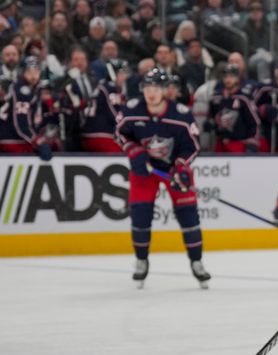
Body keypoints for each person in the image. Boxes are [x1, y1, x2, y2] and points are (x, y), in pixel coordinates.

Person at [115, 68, 210, 289]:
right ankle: (141, 260)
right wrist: (134, 151)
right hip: (144, 170)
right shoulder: (131, 110)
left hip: (173, 169)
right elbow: (119, 133)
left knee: (188, 215)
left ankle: (197, 262)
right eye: (147, 88)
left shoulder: (180, 113)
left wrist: (181, 166)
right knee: (140, 214)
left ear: (165, 90)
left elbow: (193, 145)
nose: (151, 93)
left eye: (156, 88)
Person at [0, 56, 55, 160]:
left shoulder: (35, 88)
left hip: (17, 138)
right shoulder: (22, 90)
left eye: (36, 71)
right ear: (23, 72)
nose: (33, 76)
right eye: (29, 72)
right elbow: (20, 124)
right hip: (10, 139)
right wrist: (37, 141)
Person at [207, 63, 260, 153]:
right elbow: (212, 118)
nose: (228, 80)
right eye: (226, 76)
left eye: (231, 76)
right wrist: (210, 124)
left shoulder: (244, 98)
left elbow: (255, 122)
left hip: (239, 144)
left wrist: (252, 143)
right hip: (221, 144)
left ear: (238, 78)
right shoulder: (215, 98)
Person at [82, 58, 129, 152]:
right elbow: (116, 116)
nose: (125, 77)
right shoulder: (110, 88)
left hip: (88, 136)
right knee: (129, 154)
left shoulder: (102, 86)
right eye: (122, 73)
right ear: (113, 74)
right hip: (102, 136)